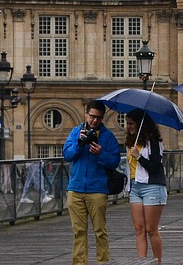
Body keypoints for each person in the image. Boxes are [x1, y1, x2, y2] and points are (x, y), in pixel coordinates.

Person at [63, 100, 121, 265]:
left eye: (98, 118)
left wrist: (100, 154)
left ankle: (103, 262)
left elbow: (114, 161)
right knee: (78, 232)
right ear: (86, 114)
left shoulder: (107, 136)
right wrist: (80, 144)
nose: (94, 121)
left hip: (97, 189)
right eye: (92, 116)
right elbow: (67, 155)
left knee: (100, 231)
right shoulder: (76, 132)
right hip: (75, 188)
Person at [124, 110, 166, 265]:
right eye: (127, 123)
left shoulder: (154, 143)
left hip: (152, 187)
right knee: (139, 229)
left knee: (151, 229)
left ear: (141, 125)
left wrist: (139, 157)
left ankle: (158, 262)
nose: (128, 127)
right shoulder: (131, 142)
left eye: (131, 123)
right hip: (135, 187)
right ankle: (142, 262)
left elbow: (155, 167)